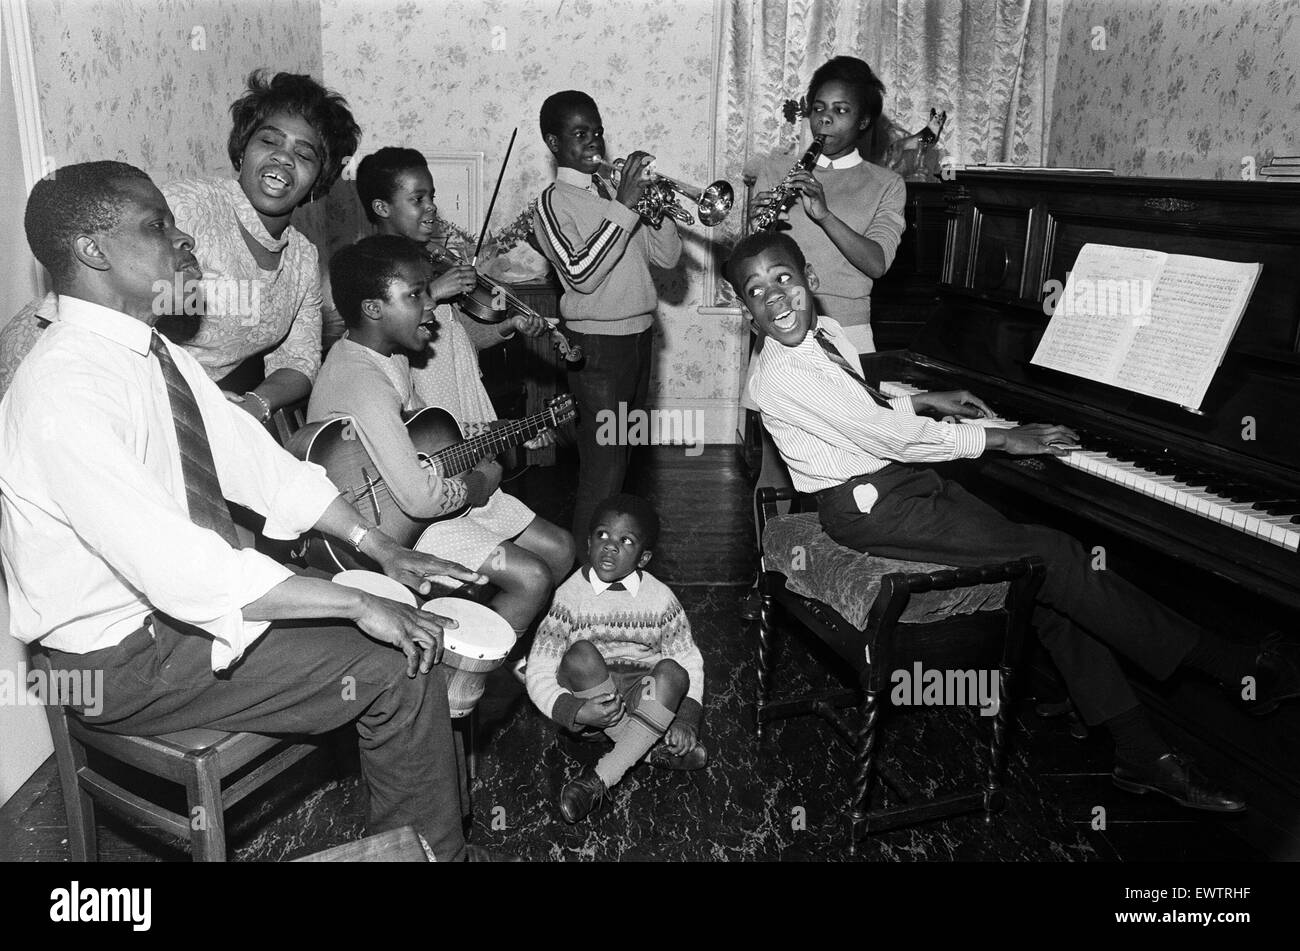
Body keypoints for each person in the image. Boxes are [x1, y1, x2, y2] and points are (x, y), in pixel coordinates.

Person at [0, 161, 499, 862]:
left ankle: (410, 846)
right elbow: (181, 565)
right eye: (156, 225)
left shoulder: (153, 352)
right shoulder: (62, 390)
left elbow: (259, 466)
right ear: (92, 251)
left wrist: (376, 546)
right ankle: (435, 855)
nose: (184, 241)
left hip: (174, 619)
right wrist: (353, 603)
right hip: (118, 660)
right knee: (399, 660)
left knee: (393, 634)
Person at [729, 230, 1300, 814]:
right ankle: (1232, 666)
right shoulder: (778, 375)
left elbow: (862, 407)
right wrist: (1003, 436)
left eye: (784, 280)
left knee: (1044, 571)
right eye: (756, 292)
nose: (775, 299)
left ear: (810, 282)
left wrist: (924, 400)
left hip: (904, 484)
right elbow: (885, 435)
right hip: (868, 509)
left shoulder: (824, 334)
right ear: (746, 313)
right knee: (1052, 552)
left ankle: (1140, 752)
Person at [0, 70, 361, 422]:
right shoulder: (188, 207)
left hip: (176, 405)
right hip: (66, 370)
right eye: (269, 141)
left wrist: (255, 404)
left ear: (320, 178)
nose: (283, 157)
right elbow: (95, 304)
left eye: (304, 153)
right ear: (243, 150)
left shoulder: (301, 258)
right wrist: (192, 396)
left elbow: (298, 361)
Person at [309, 236, 573, 639]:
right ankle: (461, 680)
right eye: (416, 294)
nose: (431, 303)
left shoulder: (390, 354)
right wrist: (480, 481)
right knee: (532, 576)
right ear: (373, 309)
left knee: (559, 548)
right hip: (393, 530)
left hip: (417, 495)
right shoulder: (363, 382)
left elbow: (423, 435)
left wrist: (492, 435)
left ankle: (503, 645)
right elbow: (420, 499)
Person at [531, 90, 682, 544]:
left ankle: (613, 563)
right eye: (580, 134)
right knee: (603, 468)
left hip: (639, 340)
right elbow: (580, 273)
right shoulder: (552, 203)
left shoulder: (613, 197)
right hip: (598, 350)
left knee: (626, 458)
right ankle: (581, 581)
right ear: (554, 144)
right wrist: (625, 206)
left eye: (597, 131)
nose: (594, 141)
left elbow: (669, 257)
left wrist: (654, 208)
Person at [525, 493, 706, 823]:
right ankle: (646, 748)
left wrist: (687, 718)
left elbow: (689, 661)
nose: (610, 546)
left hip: (644, 704)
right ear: (589, 541)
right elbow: (538, 669)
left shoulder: (662, 599)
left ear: (644, 557)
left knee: (672, 670)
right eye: (602, 535)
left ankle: (598, 780)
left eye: (626, 540)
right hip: (593, 708)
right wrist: (576, 710)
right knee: (579, 654)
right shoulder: (568, 597)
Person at [349, 146, 550, 418]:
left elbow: (458, 338)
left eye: (431, 196)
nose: (431, 205)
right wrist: (435, 290)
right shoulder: (370, 265)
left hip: (460, 391)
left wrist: (507, 325)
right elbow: (376, 336)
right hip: (420, 405)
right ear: (382, 207)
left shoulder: (431, 258)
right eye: (417, 199)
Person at [749, 56, 906, 354]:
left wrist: (824, 215)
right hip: (782, 321)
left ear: (863, 121)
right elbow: (753, 262)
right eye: (818, 108)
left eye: (841, 110)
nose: (825, 119)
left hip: (847, 331)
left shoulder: (887, 183)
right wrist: (757, 230)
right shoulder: (775, 169)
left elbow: (877, 263)